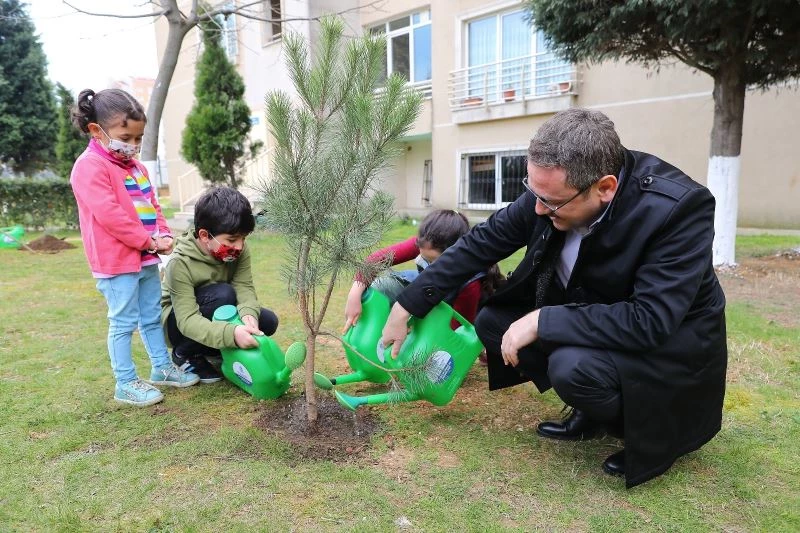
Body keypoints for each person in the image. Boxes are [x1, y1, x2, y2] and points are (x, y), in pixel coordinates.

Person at [379, 108, 727, 488]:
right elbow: (480, 244)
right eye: (534, 193)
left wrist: (541, 320)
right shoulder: (553, 192)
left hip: (665, 348)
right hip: (597, 317)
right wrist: (408, 304)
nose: (539, 210)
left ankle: (653, 432)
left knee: (571, 365)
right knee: (494, 323)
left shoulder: (677, 209)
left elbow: (650, 321)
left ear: (605, 188)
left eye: (552, 202)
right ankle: (594, 409)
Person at [70, 88, 200, 407]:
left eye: (137, 139)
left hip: (145, 259)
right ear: (96, 130)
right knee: (124, 322)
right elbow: (111, 216)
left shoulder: (136, 168)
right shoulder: (89, 167)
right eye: (125, 137)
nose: (132, 145)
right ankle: (125, 381)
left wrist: (164, 234)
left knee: (151, 316)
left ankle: (161, 368)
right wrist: (149, 241)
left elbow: (152, 207)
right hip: (116, 263)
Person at [160, 186, 279, 383]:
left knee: (267, 321)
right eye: (232, 239)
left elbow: (244, 287)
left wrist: (248, 314)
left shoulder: (239, 250)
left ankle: (214, 348)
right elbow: (187, 320)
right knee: (224, 294)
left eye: (243, 238)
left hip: (218, 308)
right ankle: (185, 353)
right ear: (205, 235)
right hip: (178, 323)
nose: (239, 246)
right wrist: (231, 334)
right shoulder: (179, 263)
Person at [344, 210, 503, 353]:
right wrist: (354, 293)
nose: (430, 267)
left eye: (434, 262)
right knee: (382, 286)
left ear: (455, 254)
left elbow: (455, 330)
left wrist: (414, 337)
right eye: (425, 260)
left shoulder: (470, 284)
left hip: (459, 315)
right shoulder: (428, 243)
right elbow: (376, 260)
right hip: (431, 296)